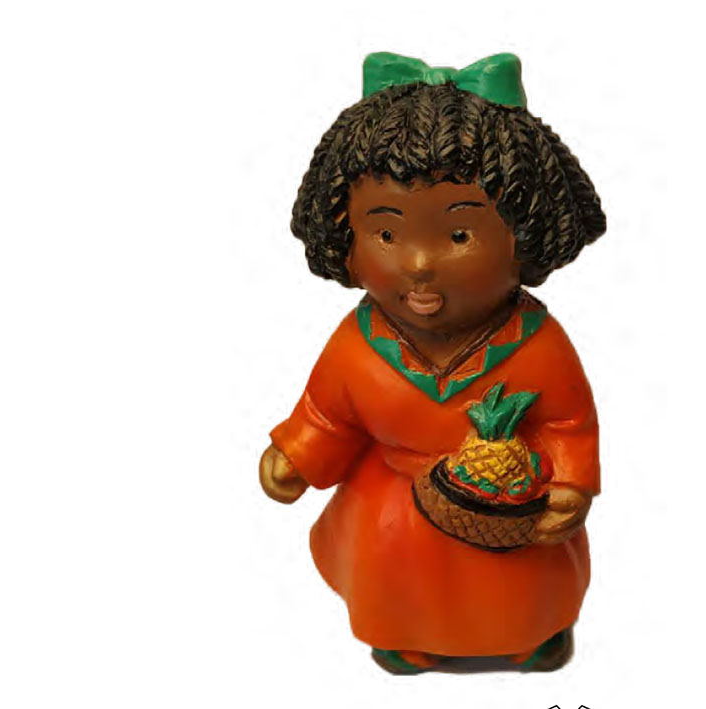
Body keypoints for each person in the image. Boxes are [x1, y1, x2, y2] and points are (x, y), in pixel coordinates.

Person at [259, 53, 606, 673]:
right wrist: (297, 456)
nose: (419, 264)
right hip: (393, 507)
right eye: (387, 235)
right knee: (394, 569)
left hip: (509, 503)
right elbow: (329, 415)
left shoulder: (537, 344)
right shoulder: (358, 344)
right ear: (346, 240)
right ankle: (403, 635)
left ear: (524, 238)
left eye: (459, 235)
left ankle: (530, 635)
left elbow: (568, 424)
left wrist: (570, 485)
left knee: (521, 586)